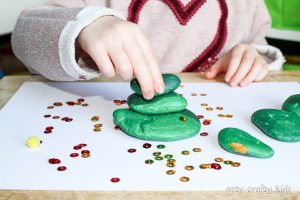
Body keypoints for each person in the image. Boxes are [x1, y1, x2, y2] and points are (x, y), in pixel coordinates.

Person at [11, 0, 284, 99]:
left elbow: (261, 47)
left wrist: (254, 56)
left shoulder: (248, 6)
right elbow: (24, 35)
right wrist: (86, 28)